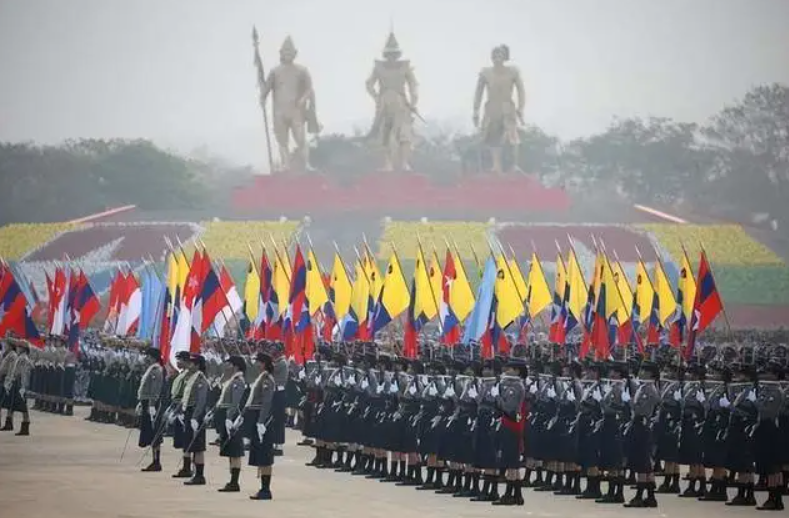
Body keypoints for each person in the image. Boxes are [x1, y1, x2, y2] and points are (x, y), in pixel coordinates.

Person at [244, 352, 277, 500]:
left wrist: (261, 422)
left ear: (264, 363)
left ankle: (265, 490)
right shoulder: (262, 377)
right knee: (261, 453)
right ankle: (263, 488)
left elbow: (266, 402)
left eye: (258, 362)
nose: (256, 364)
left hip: (264, 420)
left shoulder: (267, 380)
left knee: (265, 455)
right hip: (258, 418)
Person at [216, 355, 248, 493]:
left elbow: (235, 403)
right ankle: (232, 480)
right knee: (229, 450)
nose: (226, 366)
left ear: (235, 366)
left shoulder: (238, 381)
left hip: (233, 417)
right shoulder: (232, 380)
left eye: (228, 364)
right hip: (228, 415)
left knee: (235, 451)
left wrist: (229, 418)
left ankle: (235, 482)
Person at [179, 353, 209, 486]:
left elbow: (201, 401)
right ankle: (195, 473)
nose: (189, 365)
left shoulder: (201, 379)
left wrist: (195, 417)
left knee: (198, 446)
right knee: (191, 443)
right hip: (189, 412)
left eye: (191, 363)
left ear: (197, 365)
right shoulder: (191, 378)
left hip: (196, 414)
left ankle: (199, 475)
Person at [137, 347, 165, 472]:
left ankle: (156, 461)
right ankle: (154, 460)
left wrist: (152, 405)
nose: (146, 358)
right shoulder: (151, 369)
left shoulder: (156, 370)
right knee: (150, 432)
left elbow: (155, 390)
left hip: (152, 404)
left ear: (152, 357)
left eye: (148, 355)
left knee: (155, 433)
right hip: (147, 403)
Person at [168, 351, 193, 478]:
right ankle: (186, 466)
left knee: (186, 439)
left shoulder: (189, 376)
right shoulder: (182, 374)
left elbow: (186, 394)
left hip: (183, 408)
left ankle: (188, 467)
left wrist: (180, 410)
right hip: (177, 406)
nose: (177, 362)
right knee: (182, 440)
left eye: (180, 360)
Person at [5, 339, 33, 436]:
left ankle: (25, 426)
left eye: (19, 347)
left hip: (20, 383)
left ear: (24, 349)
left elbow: (24, 373)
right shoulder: (20, 357)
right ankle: (9, 422)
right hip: (16, 382)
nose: (17, 348)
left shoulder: (24, 359)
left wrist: (23, 387)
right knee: (13, 404)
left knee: (23, 406)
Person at [0, 339, 18, 430]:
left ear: (10, 345)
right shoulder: (6, 354)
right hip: (3, 378)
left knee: (9, 403)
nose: (5, 345)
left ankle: (9, 423)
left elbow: (11, 369)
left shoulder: (13, 355)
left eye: (6, 344)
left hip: (7, 380)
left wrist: (8, 381)